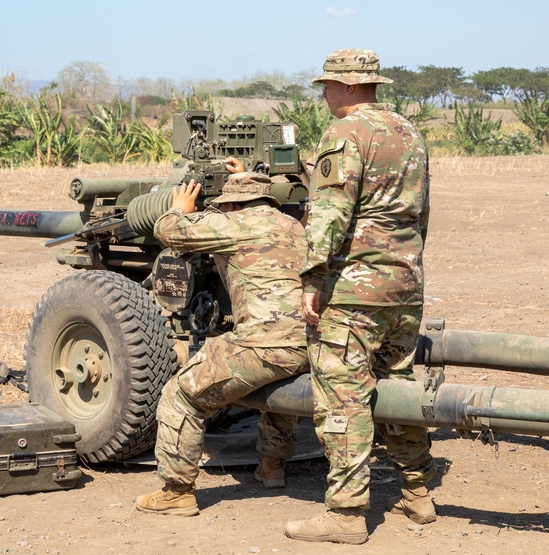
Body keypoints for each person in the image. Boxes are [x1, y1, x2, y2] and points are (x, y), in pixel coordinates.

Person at [284, 49, 435, 544]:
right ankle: (417, 492)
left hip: (353, 291)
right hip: (404, 285)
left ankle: (346, 514)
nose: (324, 93)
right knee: (398, 388)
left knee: (343, 398)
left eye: (327, 84)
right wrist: (405, 268)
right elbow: (421, 215)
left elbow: (329, 212)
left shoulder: (346, 132)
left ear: (348, 86)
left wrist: (312, 276)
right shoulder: (410, 132)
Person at [134, 173, 310, 516]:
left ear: (231, 206)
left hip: (264, 342)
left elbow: (169, 231)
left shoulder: (234, 223)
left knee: (182, 394)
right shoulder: (292, 225)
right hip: (308, 341)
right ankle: (272, 466)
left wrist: (179, 208)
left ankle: (176, 491)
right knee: (278, 384)